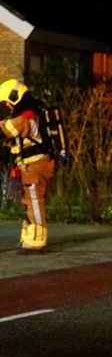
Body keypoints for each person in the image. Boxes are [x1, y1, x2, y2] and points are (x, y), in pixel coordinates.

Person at [0, 79, 56, 254]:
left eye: (7, 104)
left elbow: (6, 131)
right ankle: (29, 236)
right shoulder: (32, 113)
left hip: (34, 165)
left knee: (33, 201)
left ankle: (37, 241)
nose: (6, 108)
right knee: (28, 201)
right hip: (34, 163)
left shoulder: (24, 117)